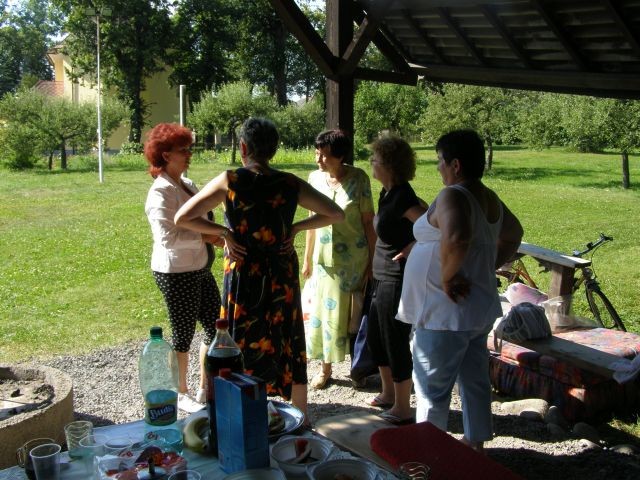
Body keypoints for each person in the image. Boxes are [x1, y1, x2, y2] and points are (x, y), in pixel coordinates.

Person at [174, 118, 344, 420]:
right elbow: (335, 213)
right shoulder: (289, 183)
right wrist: (296, 227)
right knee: (288, 334)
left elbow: (183, 218)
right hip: (281, 272)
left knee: (240, 337)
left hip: (244, 271)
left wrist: (224, 233)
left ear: (243, 147)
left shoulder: (230, 180)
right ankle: (301, 416)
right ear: (274, 150)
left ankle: (239, 414)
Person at [396, 129, 523, 452]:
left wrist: (447, 277)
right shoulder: (488, 197)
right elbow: (513, 234)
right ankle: (474, 443)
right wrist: (488, 265)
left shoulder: (453, 195)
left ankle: (430, 457)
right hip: (476, 310)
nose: (437, 167)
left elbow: (456, 237)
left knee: (432, 389)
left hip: (445, 313)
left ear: (455, 164)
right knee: (474, 379)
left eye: (439, 160)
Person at [144, 122, 222, 413]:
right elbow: (167, 238)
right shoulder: (160, 193)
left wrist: (215, 233)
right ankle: (180, 392)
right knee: (183, 333)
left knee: (215, 326)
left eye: (190, 148)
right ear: (166, 155)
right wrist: (207, 237)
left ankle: (205, 387)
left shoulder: (187, 184)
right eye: (183, 150)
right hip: (175, 272)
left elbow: (202, 219)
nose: (189, 154)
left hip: (199, 267)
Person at [302, 129, 376, 390]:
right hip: (324, 263)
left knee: (354, 316)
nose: (318, 160)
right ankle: (325, 369)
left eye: (324, 155)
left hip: (354, 261)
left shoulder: (359, 179)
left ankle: (359, 369)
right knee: (325, 315)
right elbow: (311, 221)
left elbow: (368, 223)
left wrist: (373, 261)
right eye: (317, 153)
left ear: (340, 156)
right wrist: (307, 258)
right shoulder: (314, 178)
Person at [366, 135, 427, 425]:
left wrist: (412, 246)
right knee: (376, 337)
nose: (371, 163)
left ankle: (403, 407)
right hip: (380, 275)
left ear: (389, 165)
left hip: (396, 278)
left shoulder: (403, 196)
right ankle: (388, 392)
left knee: (394, 339)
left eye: (375, 159)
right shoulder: (387, 193)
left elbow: (435, 227)